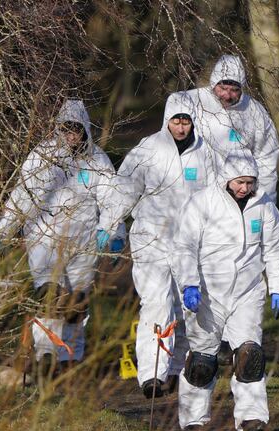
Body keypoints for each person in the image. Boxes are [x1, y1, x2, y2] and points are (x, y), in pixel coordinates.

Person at [100, 92, 215, 398]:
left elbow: (219, 200)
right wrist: (110, 229)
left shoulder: (206, 154)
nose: (181, 127)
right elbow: (123, 190)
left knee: (184, 305)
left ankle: (177, 369)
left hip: (189, 243)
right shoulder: (148, 150)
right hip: (150, 238)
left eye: (186, 121)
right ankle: (152, 373)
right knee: (156, 302)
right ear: (168, 120)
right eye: (176, 121)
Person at [0, 99, 121, 379]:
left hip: (83, 241)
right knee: (49, 298)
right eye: (65, 129)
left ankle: (69, 359)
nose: (70, 135)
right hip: (45, 237)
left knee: (75, 304)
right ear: (57, 129)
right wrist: (6, 228)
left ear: (85, 129)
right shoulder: (41, 157)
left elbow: (113, 200)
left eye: (75, 129)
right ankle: (45, 354)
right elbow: (23, 193)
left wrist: (113, 234)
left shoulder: (97, 160)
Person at [173, 151, 279, 431]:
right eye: (239, 182)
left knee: (250, 355)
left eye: (250, 182)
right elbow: (184, 246)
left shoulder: (264, 207)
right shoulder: (202, 203)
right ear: (227, 179)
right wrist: (189, 284)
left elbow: (275, 248)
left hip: (247, 292)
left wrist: (278, 287)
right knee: (202, 361)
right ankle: (193, 420)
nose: (244, 188)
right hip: (207, 293)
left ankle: (252, 417)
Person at [184, 54, 279, 204]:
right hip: (196, 190)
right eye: (222, 88)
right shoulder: (192, 104)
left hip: (236, 196)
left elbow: (267, 156)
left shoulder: (255, 111)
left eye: (234, 90)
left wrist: (265, 201)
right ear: (213, 84)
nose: (227, 95)